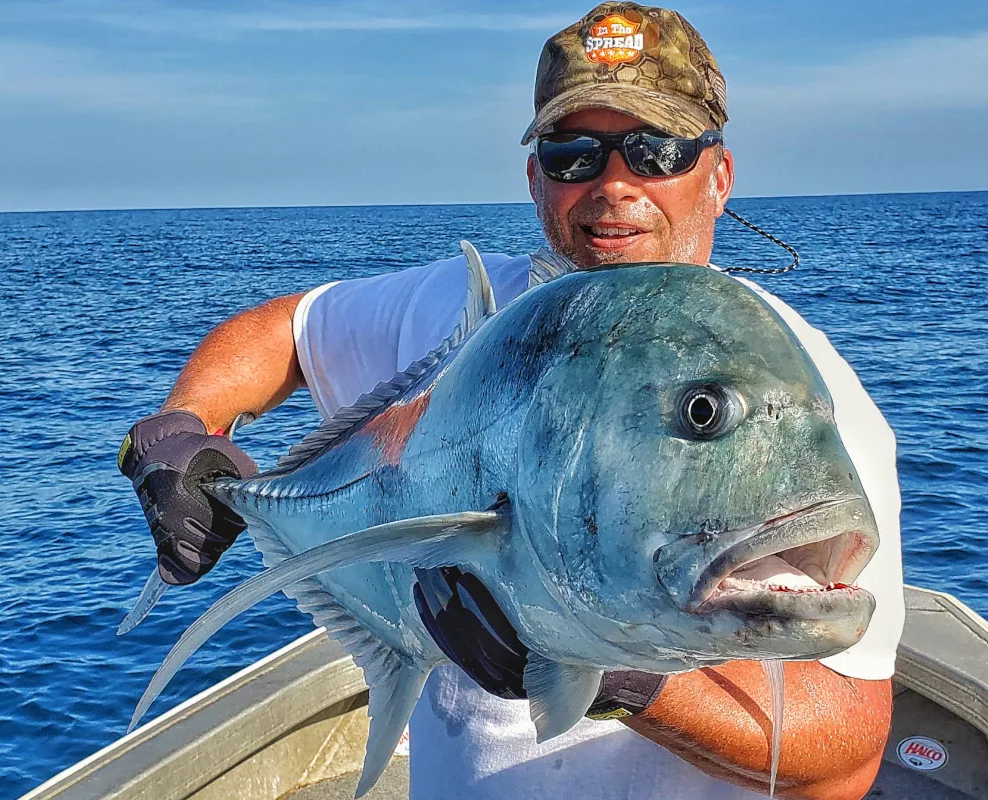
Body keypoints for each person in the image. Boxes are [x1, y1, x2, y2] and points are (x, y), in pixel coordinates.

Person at [117, 4, 904, 798]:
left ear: (719, 175)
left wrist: (625, 682)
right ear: (536, 178)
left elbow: (845, 759)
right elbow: (282, 330)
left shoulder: (808, 399)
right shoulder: (452, 309)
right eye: (573, 154)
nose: (615, 186)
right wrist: (184, 428)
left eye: (656, 150)